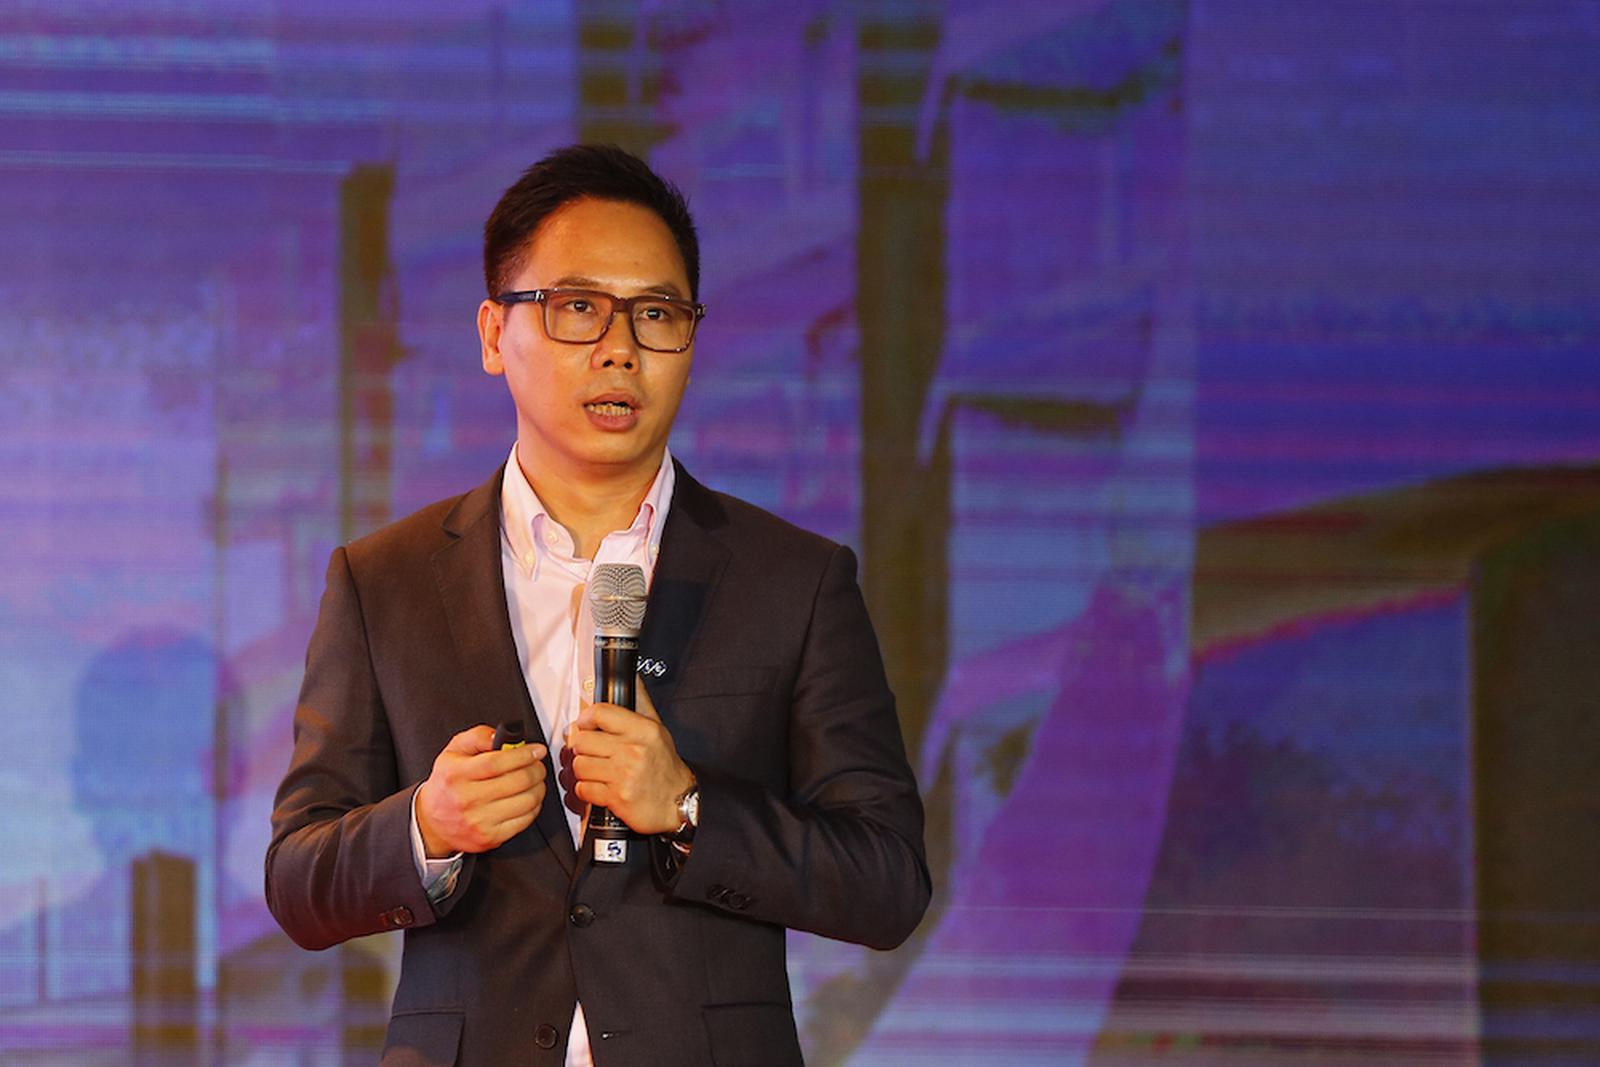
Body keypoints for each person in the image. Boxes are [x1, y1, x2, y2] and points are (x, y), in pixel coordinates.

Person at [265, 143, 930, 1067]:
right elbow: (298, 881)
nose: (620, 347)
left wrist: (690, 807)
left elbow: (888, 882)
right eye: (578, 307)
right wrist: (426, 827)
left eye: (656, 313)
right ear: (494, 334)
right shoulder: (385, 581)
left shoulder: (795, 580)